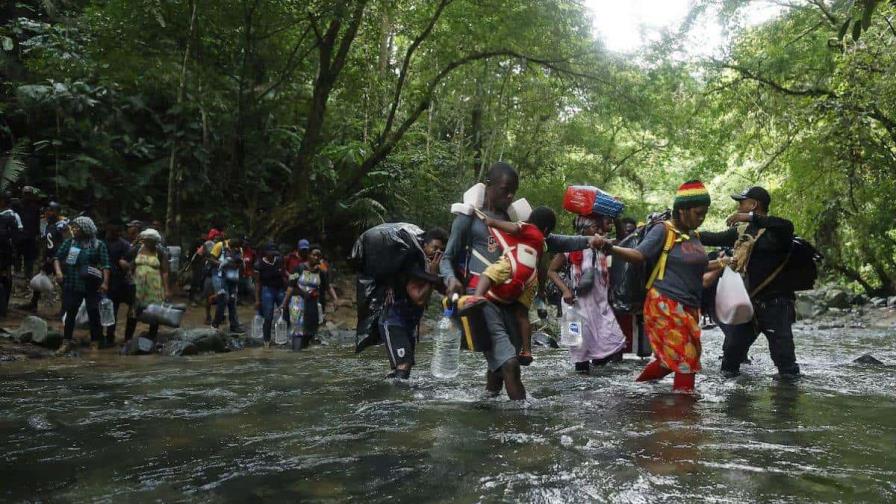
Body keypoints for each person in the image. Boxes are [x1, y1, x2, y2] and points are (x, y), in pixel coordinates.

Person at [440, 161, 607, 400]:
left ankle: (485, 406)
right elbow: (447, 258)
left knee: (498, 369)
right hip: (482, 300)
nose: (509, 196)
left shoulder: (516, 220)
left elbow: (554, 241)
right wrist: (450, 279)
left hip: (512, 302)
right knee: (510, 364)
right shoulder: (468, 219)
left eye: (513, 192)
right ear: (488, 185)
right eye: (505, 189)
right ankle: (521, 424)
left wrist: (589, 241)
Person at [596, 181, 724, 393]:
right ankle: (684, 417)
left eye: (705, 214)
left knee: (668, 362)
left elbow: (696, 267)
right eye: (698, 213)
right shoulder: (662, 230)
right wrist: (611, 248)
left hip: (690, 307)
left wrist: (722, 263)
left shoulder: (694, 236)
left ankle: (634, 393)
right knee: (686, 361)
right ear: (682, 210)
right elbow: (639, 255)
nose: (702, 218)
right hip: (665, 304)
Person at [699, 186, 800, 379]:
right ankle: (734, 404)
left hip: (777, 306)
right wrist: (684, 230)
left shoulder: (778, 232)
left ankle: (787, 405)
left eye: (742, 202)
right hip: (748, 306)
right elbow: (711, 237)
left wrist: (751, 217)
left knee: (787, 368)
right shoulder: (742, 231)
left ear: (754, 205)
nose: (738, 207)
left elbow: (786, 225)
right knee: (729, 362)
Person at [473, 206, 558, 366]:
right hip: (530, 278)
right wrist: (541, 291)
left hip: (514, 265)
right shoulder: (541, 242)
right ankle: (527, 350)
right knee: (522, 315)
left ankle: (477, 296)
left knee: (487, 274)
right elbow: (542, 268)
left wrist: (491, 221)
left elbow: (513, 227)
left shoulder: (528, 228)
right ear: (546, 229)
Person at [548, 214, 626, 373]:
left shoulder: (603, 245)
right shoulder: (570, 248)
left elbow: (622, 240)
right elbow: (551, 271)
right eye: (594, 228)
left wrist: (615, 216)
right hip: (574, 307)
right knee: (580, 355)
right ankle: (582, 391)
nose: (599, 231)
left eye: (599, 228)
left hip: (599, 308)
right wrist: (565, 290)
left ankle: (598, 383)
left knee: (611, 348)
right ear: (583, 230)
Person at [379, 228, 448, 379]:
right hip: (393, 321)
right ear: (424, 246)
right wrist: (433, 276)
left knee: (405, 367)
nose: (437, 253)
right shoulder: (412, 265)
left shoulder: (427, 267)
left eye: (441, 250)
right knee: (403, 365)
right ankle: (395, 400)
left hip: (409, 324)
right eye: (434, 248)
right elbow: (419, 298)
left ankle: (391, 395)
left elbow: (444, 289)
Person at [54, 216, 111, 354]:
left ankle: (95, 343)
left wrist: (105, 282)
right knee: (71, 313)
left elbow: (106, 265)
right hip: (73, 283)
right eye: (73, 227)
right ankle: (66, 342)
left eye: (76, 228)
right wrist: (59, 272)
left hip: (92, 285)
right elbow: (57, 257)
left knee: (94, 313)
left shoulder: (98, 244)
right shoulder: (70, 242)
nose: (73, 230)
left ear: (85, 229)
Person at [281, 244, 330, 349]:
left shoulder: (321, 272)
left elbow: (327, 287)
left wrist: (335, 300)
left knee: (310, 331)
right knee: (297, 330)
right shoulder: (299, 268)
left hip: (312, 304)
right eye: (314, 255)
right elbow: (291, 286)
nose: (316, 257)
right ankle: (296, 354)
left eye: (318, 256)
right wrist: (284, 303)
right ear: (308, 255)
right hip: (297, 302)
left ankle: (303, 357)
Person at [20, 202, 66, 312]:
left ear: (57, 212)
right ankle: (33, 303)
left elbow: (64, 242)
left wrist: (58, 257)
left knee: (63, 282)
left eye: (51, 211)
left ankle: (66, 309)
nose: (47, 213)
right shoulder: (48, 225)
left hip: (59, 259)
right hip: (49, 258)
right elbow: (47, 243)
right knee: (40, 276)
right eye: (47, 211)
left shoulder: (62, 225)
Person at [129, 229, 170, 340]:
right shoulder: (137, 250)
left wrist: (166, 290)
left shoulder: (160, 252)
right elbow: (131, 266)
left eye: (151, 241)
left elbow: (165, 271)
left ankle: (152, 336)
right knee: (134, 310)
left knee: (155, 311)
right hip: (138, 285)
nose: (149, 243)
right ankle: (128, 338)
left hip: (155, 286)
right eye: (147, 240)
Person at [104, 219, 137, 346]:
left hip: (123, 282)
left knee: (132, 309)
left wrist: (126, 265)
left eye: (111, 231)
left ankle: (128, 338)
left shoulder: (124, 245)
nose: (108, 233)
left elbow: (131, 263)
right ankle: (109, 337)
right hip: (110, 282)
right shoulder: (103, 243)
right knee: (111, 310)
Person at [253, 243, 287, 347]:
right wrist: (257, 300)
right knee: (268, 315)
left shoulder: (279, 261)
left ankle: (283, 339)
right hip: (267, 289)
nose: (273, 255)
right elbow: (258, 283)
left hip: (280, 289)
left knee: (285, 312)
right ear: (266, 253)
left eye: (274, 253)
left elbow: (284, 275)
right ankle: (267, 341)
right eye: (271, 253)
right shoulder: (259, 264)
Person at [209, 237, 244, 333]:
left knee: (232, 300)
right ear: (230, 245)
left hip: (232, 277)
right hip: (219, 275)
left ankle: (234, 326)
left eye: (238, 248)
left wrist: (236, 265)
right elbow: (210, 259)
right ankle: (215, 324)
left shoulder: (239, 249)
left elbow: (240, 264)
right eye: (235, 248)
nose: (237, 249)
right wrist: (222, 263)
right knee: (224, 298)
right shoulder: (220, 245)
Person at [0, 192, 20, 317]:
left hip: (5, 254)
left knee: (5, 279)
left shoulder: (10, 216)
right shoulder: (9, 216)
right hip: (6, 253)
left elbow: (15, 236)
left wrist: (13, 252)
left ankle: (3, 308)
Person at [18, 186, 42, 280]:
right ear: (23, 194)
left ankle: (28, 274)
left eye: (29, 194)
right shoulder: (17, 206)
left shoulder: (35, 208)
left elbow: (37, 222)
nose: (27, 196)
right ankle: (18, 274)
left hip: (30, 236)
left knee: (30, 257)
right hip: (19, 236)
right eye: (26, 194)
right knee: (17, 256)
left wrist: (37, 234)